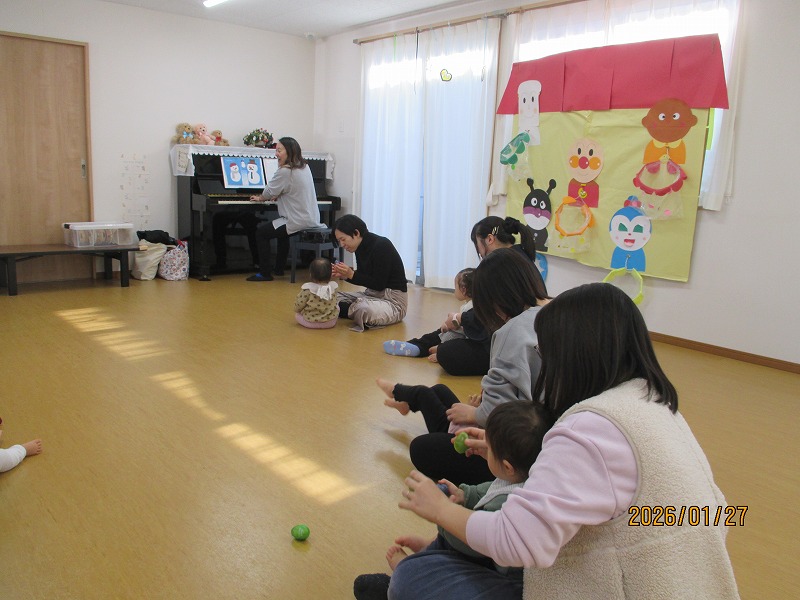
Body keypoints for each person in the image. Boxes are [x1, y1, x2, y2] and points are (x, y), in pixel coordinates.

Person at [388, 283, 740, 600]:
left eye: (545, 353)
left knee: (412, 578)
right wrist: (500, 448)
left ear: (572, 355)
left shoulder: (588, 429)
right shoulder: (652, 402)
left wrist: (441, 510)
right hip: (690, 578)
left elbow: (516, 541)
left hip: (633, 583)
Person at [353, 401, 548, 600]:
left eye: (488, 447)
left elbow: (474, 542)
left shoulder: (511, 503)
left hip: (493, 564)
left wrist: (444, 517)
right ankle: (430, 549)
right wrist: (465, 494)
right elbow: (489, 489)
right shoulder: (522, 477)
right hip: (485, 549)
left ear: (507, 467)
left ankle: (410, 568)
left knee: (446, 542)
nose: (483, 447)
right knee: (453, 530)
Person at [393, 248, 549, 485]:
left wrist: (477, 414)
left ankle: (419, 405)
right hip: (534, 433)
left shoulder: (511, 332)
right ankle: (436, 417)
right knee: (440, 392)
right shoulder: (550, 314)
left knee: (421, 448)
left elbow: (501, 416)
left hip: (515, 448)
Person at [383, 216, 538, 377]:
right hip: (513, 334)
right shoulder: (518, 256)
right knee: (451, 329)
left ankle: (428, 347)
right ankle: (420, 346)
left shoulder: (502, 263)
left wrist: (461, 319)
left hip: (510, 342)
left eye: (477, 244)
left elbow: (495, 314)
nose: (479, 252)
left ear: (490, 239)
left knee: (449, 350)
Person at [246, 137, 324, 281]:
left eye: (279, 150)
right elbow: (291, 187)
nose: (276, 154)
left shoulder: (285, 171)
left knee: (261, 233)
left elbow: (268, 192)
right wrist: (279, 193)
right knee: (281, 233)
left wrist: (261, 198)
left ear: (289, 151)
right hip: (310, 217)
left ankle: (264, 273)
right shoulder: (304, 167)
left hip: (296, 220)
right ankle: (279, 268)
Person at [331, 214, 408, 332]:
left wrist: (351, 274)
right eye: (339, 241)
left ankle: (347, 309)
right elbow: (365, 277)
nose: (341, 244)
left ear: (356, 233)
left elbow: (379, 284)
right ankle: (351, 309)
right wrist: (346, 276)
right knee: (330, 297)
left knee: (363, 309)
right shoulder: (359, 247)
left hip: (393, 301)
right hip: (371, 295)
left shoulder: (382, 245)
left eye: (343, 239)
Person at [383, 268, 474, 362]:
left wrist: (450, 325)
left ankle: (428, 348)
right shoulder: (471, 305)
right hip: (460, 337)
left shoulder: (469, 307)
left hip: (459, 338)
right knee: (438, 334)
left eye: (455, 287)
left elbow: (465, 329)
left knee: (438, 336)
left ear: (463, 290)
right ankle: (417, 346)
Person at [294, 257, 339, 329]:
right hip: (330, 322)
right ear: (331, 274)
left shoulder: (308, 289)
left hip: (310, 322)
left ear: (311, 274)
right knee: (337, 307)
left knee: (297, 315)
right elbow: (335, 302)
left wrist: (298, 311)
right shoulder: (333, 287)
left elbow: (298, 305)